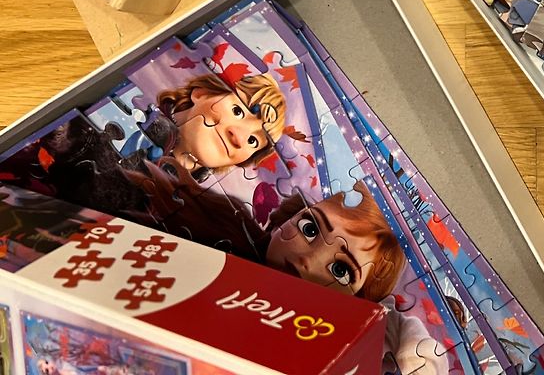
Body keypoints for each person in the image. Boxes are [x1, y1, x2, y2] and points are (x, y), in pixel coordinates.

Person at [124, 161, 447, 375]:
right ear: (289, 217)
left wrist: (406, 340)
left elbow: (401, 332)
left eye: (341, 270)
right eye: (310, 228)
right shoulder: (221, 230)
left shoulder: (322, 346)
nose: (308, 260)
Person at [130, 73, 286, 181]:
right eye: (237, 111)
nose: (239, 137)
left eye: (253, 140)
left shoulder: (188, 200)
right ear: (202, 93)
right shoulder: (137, 128)